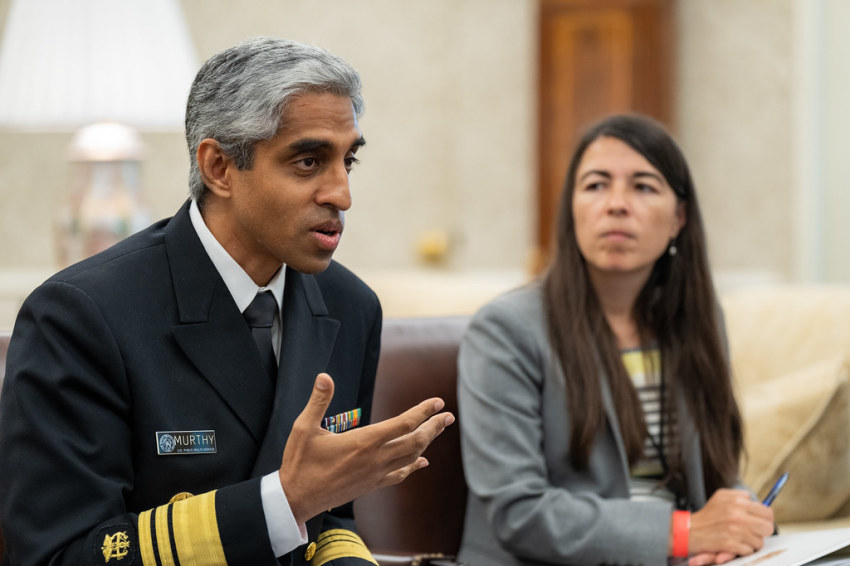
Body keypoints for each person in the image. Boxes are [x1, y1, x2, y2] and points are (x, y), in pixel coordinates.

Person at [0, 37, 454, 566]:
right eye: (308, 162)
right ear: (219, 167)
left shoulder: (350, 306)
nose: (341, 194)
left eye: (347, 160)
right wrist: (284, 502)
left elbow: (330, 520)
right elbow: (61, 554)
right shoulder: (79, 315)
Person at [456, 114, 774, 566]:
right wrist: (685, 533)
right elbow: (520, 513)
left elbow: (716, 477)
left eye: (643, 187)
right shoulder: (505, 330)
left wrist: (742, 521)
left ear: (679, 218)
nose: (617, 204)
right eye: (596, 185)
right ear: (572, 209)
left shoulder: (697, 322)